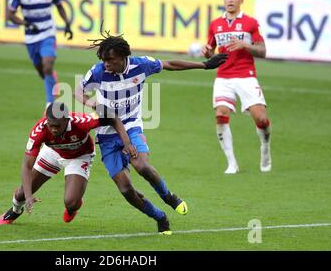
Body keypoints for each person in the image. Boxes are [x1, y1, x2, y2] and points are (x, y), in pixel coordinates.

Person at [74, 31, 228, 234]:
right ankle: (159, 216)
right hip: (107, 133)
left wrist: (205, 65)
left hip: (131, 124)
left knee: (142, 165)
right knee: (126, 190)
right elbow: (78, 91)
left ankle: (168, 196)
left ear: (122, 57)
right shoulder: (98, 72)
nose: (106, 64)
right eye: (103, 60)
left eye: (109, 60)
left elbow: (170, 64)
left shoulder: (141, 65)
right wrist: (90, 102)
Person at [0, 102, 137, 225]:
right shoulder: (39, 130)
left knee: (71, 202)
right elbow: (27, 166)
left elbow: (113, 118)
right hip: (53, 153)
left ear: (66, 120)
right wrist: (28, 196)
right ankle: (15, 211)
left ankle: (73, 206)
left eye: (58, 126)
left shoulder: (82, 121)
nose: (54, 129)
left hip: (80, 156)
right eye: (51, 126)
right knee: (22, 194)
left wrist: (127, 143)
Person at [202, 0, 271, 174]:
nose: (230, 0)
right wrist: (207, 51)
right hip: (223, 76)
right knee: (221, 114)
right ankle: (232, 163)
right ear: (223, 0)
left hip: (246, 76)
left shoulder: (250, 23)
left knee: (262, 119)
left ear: (241, 0)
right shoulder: (215, 24)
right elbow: (210, 53)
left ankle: (265, 148)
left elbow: (263, 51)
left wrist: (245, 45)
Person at [7, 0, 73, 106]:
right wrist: (26, 24)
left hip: (48, 34)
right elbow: (10, 15)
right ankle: (51, 79)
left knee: (47, 65)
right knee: (41, 70)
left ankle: (50, 103)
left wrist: (67, 23)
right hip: (31, 37)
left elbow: (60, 7)